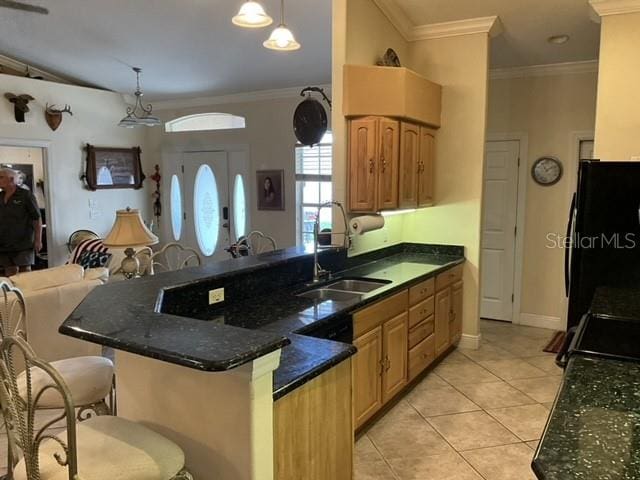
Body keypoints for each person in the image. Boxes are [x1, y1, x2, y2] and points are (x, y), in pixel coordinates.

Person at [0, 167, 42, 277]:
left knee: (25, 273)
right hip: (4, 243)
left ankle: (28, 294)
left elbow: (36, 218)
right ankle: (13, 294)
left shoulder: (26, 195)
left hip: (23, 242)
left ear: (11, 179)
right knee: (10, 273)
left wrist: (38, 240)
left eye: (1, 177)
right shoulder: (0, 196)